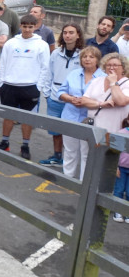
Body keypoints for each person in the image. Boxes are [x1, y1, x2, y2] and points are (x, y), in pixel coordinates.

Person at [0, 15, 51, 160]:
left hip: (30, 87)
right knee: (8, 116)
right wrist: (0, 82)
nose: (27, 29)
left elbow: (45, 67)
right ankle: (4, 142)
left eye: (30, 27)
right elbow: (3, 63)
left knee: (27, 119)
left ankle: (25, 145)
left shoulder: (41, 45)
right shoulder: (11, 43)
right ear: (21, 26)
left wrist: (39, 87)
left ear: (35, 27)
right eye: (24, 26)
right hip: (9, 86)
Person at [38, 24, 84, 167]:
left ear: (78, 35)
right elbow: (48, 74)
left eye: (71, 33)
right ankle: (57, 156)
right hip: (55, 98)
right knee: (55, 130)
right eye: (65, 32)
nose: (67, 35)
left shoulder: (83, 55)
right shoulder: (56, 53)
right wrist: (47, 94)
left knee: (72, 132)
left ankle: (72, 161)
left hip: (74, 101)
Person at [56, 46, 103, 180]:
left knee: (86, 153)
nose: (87, 59)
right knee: (70, 151)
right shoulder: (73, 74)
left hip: (90, 120)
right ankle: (68, 179)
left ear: (98, 60)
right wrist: (70, 99)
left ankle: (84, 182)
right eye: (84, 56)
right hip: (70, 116)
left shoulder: (103, 78)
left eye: (91, 57)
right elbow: (61, 92)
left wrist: (87, 102)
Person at [114, 118, 129, 223]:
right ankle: (117, 210)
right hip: (121, 167)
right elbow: (114, 151)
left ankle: (127, 212)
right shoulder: (121, 133)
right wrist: (115, 167)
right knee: (119, 189)